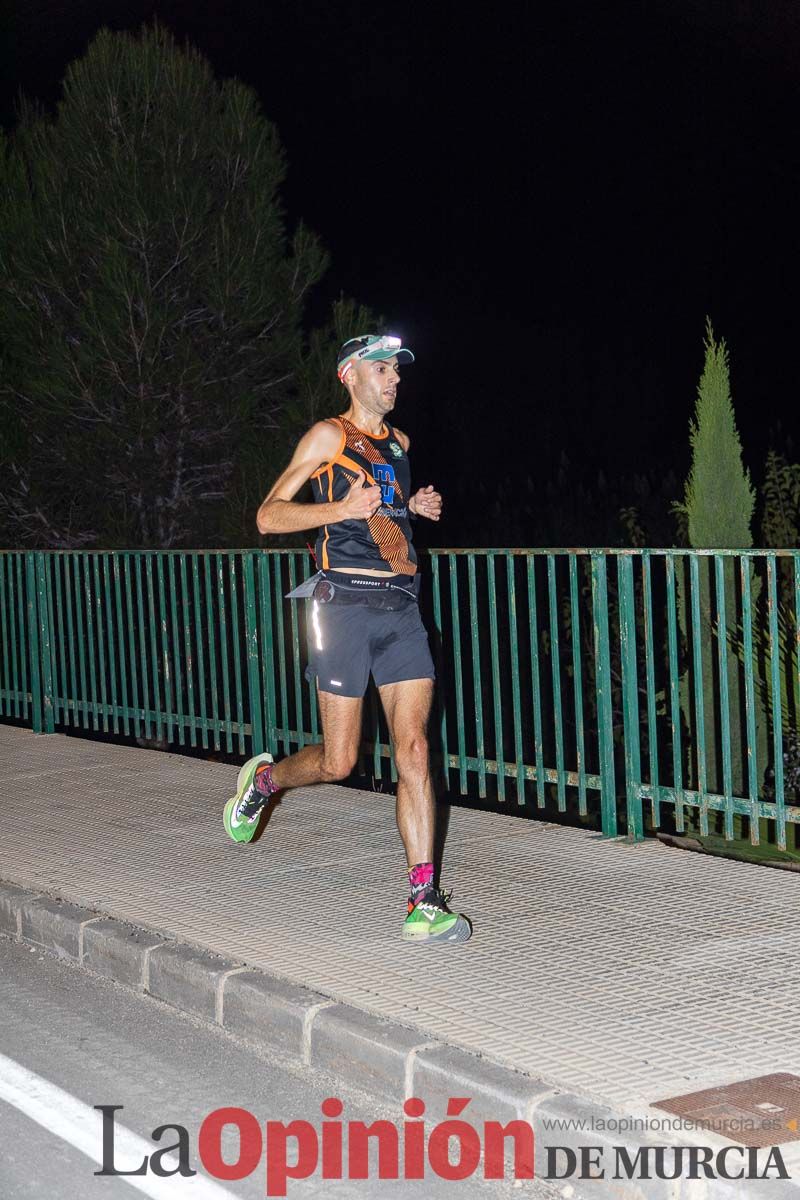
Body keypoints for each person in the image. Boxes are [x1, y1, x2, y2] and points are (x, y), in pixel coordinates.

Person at [223, 334, 471, 944]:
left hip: (402, 607)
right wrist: (340, 511)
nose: (393, 380)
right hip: (343, 608)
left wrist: (410, 504)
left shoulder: (401, 444)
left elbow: (384, 510)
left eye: (396, 372)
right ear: (349, 375)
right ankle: (264, 782)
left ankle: (423, 898)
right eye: (381, 369)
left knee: (413, 750)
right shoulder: (327, 437)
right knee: (341, 761)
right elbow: (267, 515)